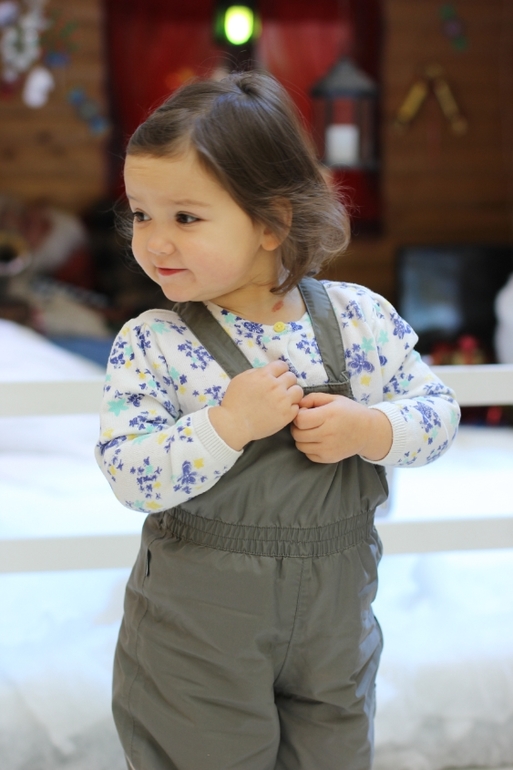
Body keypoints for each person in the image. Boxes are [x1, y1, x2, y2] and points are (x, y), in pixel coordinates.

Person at [95, 71, 460, 770]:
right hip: (199, 638)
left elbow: (438, 415)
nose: (155, 242)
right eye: (141, 215)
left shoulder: (357, 319)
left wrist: (370, 429)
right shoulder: (153, 343)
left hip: (333, 633)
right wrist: (224, 425)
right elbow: (129, 476)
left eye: (185, 217)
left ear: (272, 223)